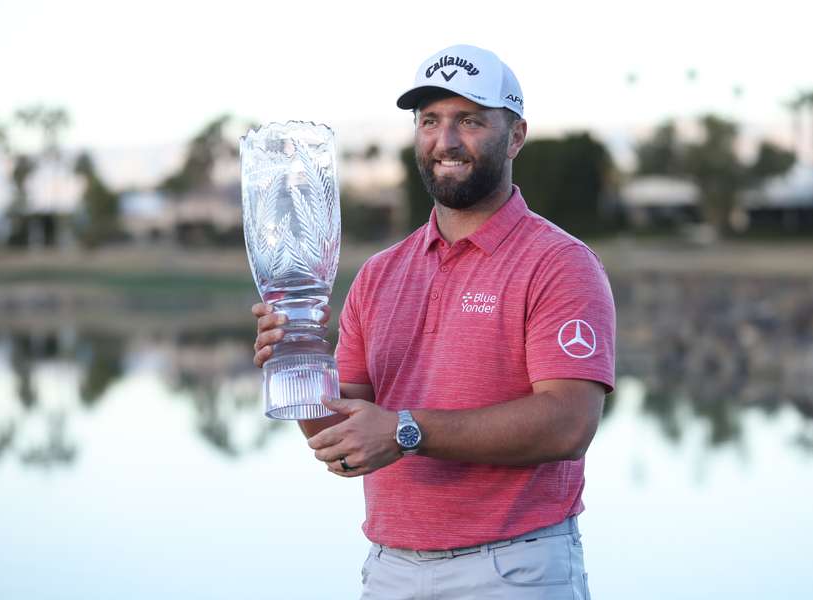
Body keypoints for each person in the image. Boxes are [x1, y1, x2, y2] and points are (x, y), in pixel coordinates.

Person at [252, 44, 614, 600]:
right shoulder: (378, 275)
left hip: (513, 570)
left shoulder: (558, 263)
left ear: (515, 136)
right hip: (391, 569)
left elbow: (569, 424)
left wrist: (405, 431)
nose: (445, 141)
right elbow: (341, 443)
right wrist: (298, 361)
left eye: (469, 120)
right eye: (430, 121)